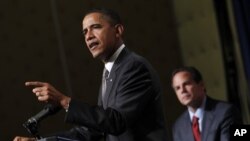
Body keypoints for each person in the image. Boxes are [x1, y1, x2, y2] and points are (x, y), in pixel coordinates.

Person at [13, 8, 167, 141]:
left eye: (95, 27)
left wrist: (64, 101)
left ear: (118, 30)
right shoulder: (110, 71)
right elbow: (95, 130)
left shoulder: (134, 66)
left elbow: (116, 122)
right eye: (85, 32)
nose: (88, 36)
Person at [171, 66, 242, 141]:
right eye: (177, 88)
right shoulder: (178, 126)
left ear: (202, 85)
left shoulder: (226, 112)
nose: (182, 90)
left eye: (187, 84)